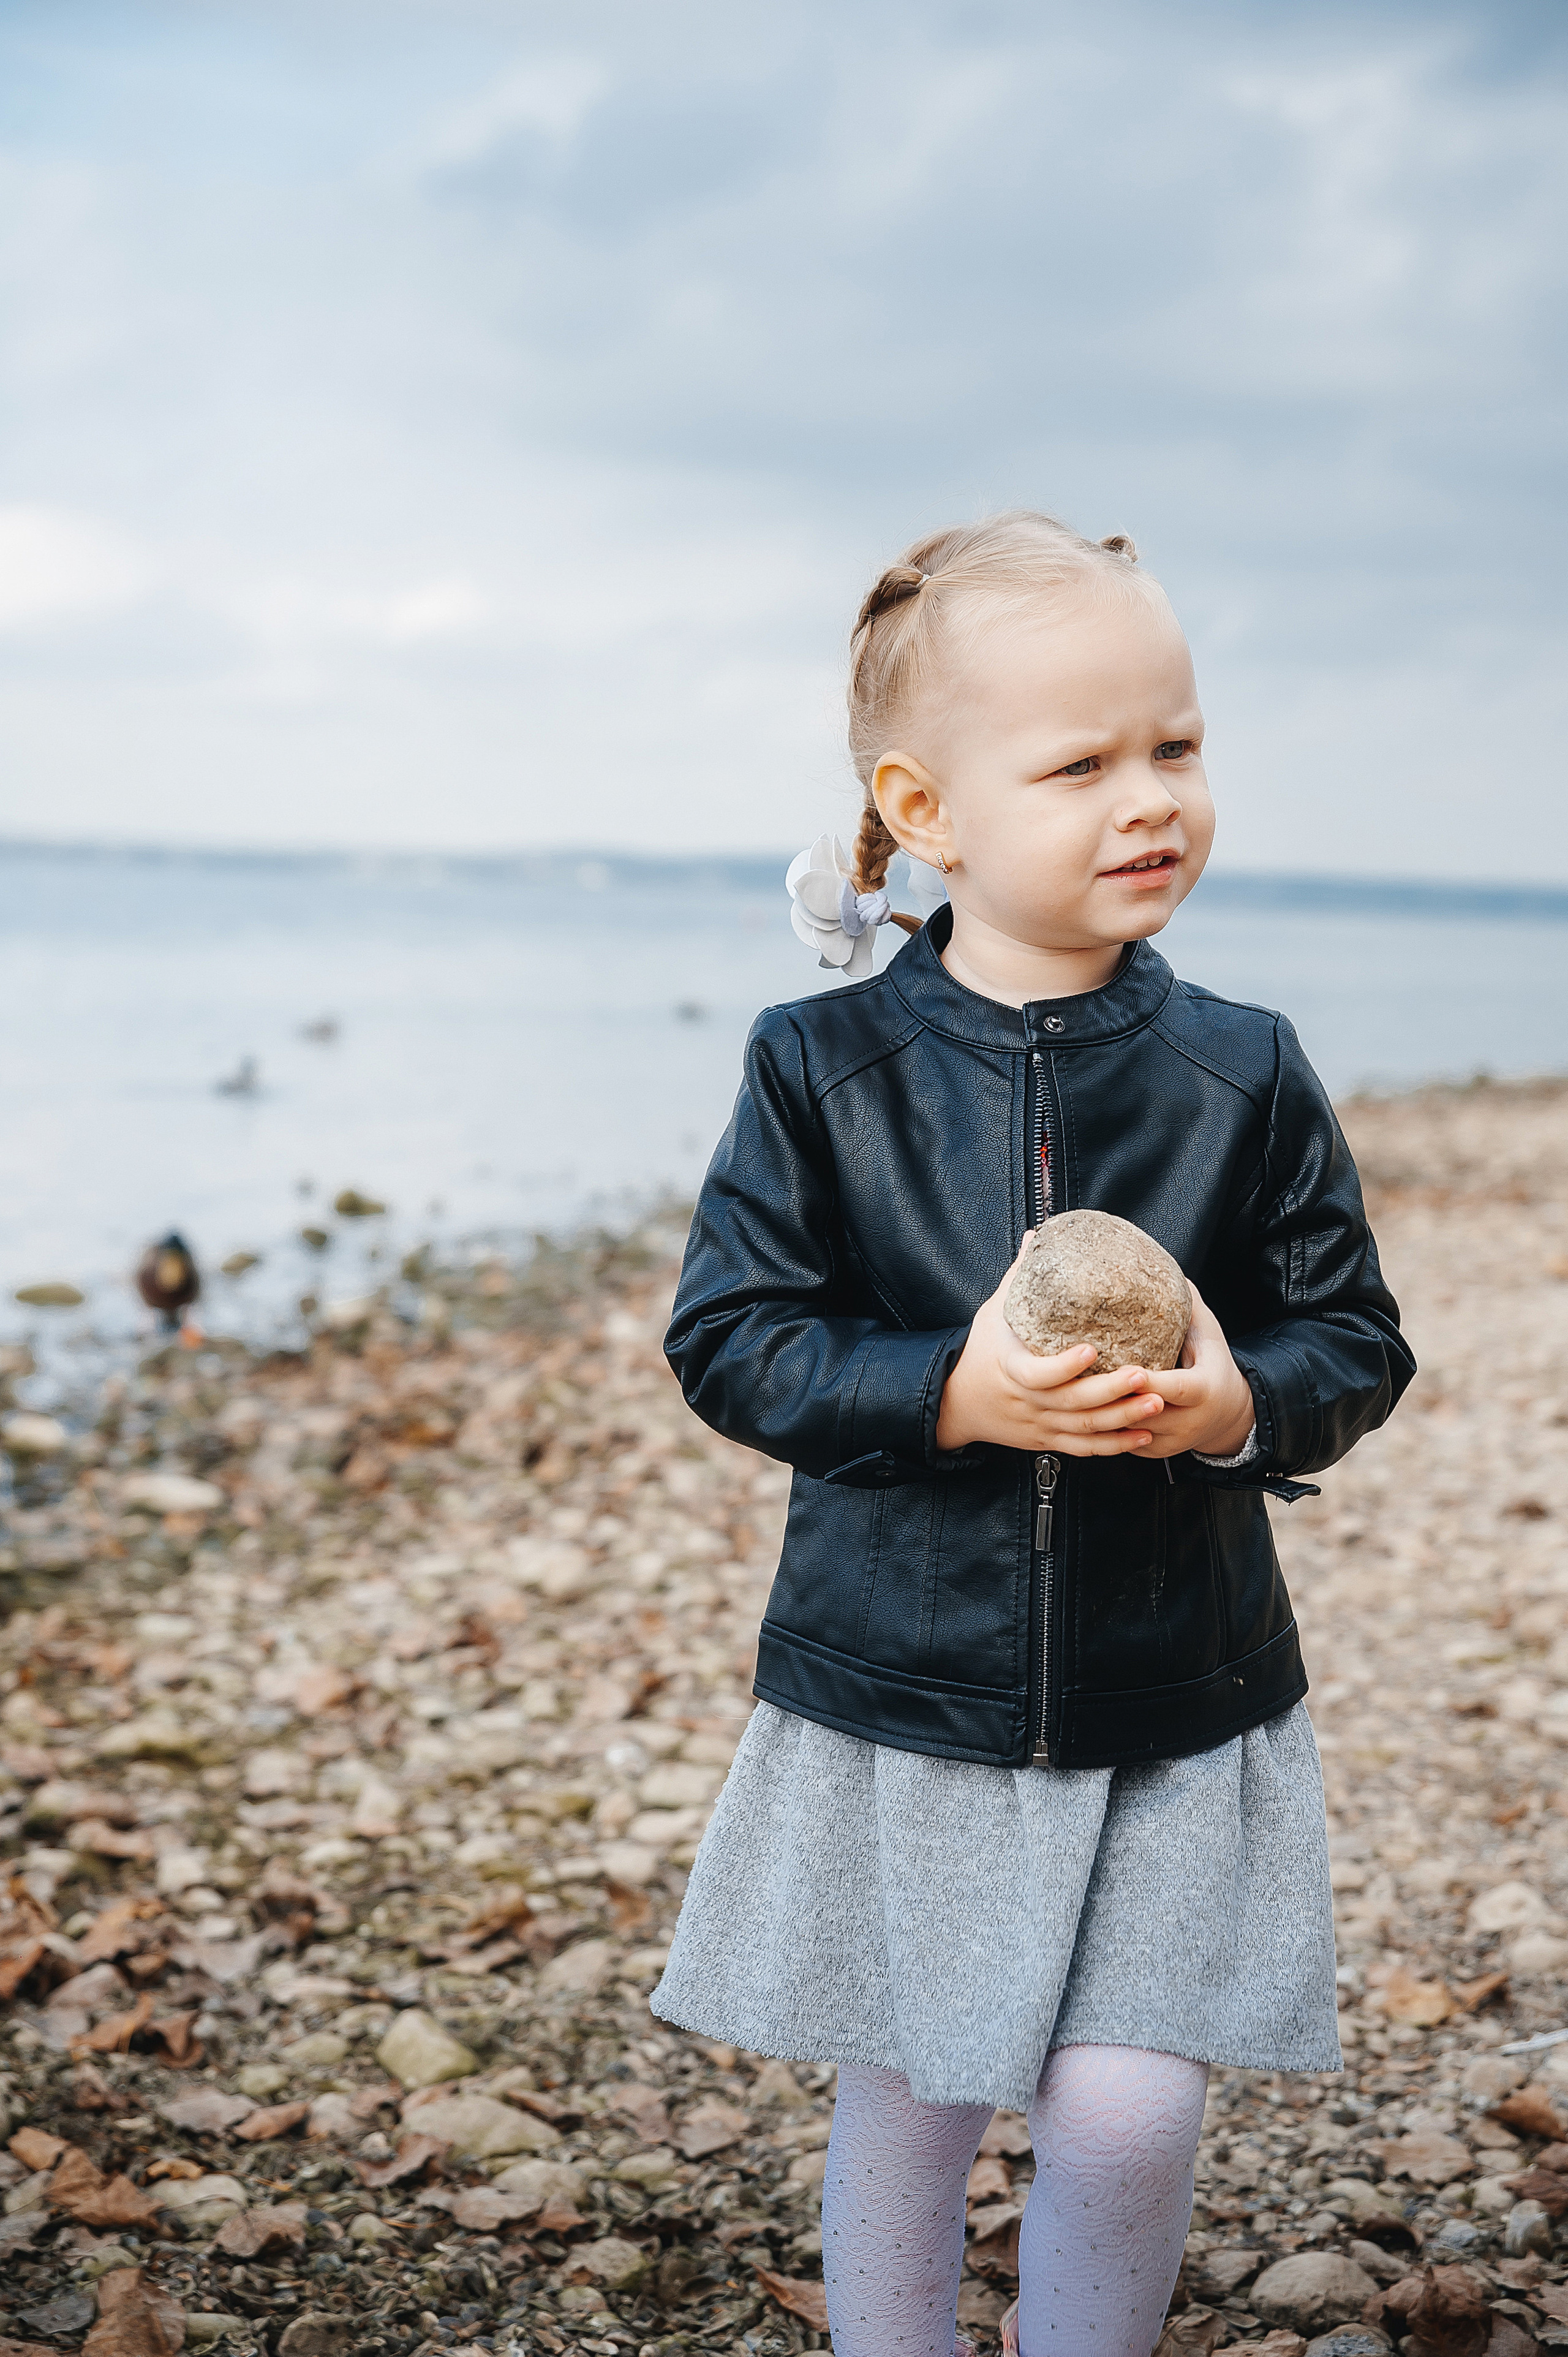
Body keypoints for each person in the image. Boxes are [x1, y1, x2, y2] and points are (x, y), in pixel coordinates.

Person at [650, 512, 1414, 2357]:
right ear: (928, 812)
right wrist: (953, 1391)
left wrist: (1238, 1405)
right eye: (1081, 763)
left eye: (1177, 744)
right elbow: (734, 1340)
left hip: (1177, 1681)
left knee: (1134, 2109)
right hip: (907, 1681)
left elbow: (1355, 1341)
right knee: (914, 2093)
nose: (1150, 797)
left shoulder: (1242, 1067)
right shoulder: (817, 1068)